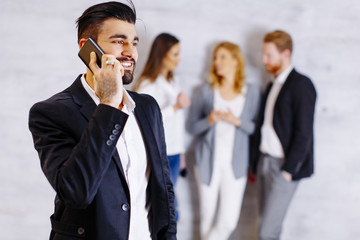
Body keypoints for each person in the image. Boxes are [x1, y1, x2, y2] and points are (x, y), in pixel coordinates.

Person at [28, 2, 176, 240]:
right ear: (88, 48)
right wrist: (108, 105)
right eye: (119, 41)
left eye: (134, 42)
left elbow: (163, 188)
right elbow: (76, 192)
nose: (130, 52)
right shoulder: (51, 113)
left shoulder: (148, 107)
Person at [187, 41, 261, 240]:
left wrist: (236, 121)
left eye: (222, 57)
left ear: (236, 61)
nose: (217, 62)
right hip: (207, 162)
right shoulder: (206, 91)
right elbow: (192, 127)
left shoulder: (251, 92)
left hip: (235, 165)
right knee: (206, 218)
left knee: (228, 220)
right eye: (215, 57)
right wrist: (210, 120)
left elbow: (256, 128)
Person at [253, 30, 317, 240]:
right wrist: (255, 163)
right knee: (268, 224)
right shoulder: (272, 85)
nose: (264, 60)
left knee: (267, 231)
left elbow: (304, 132)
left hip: (283, 166)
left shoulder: (302, 85)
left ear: (285, 54)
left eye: (269, 55)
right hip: (264, 162)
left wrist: (289, 170)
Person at [133, 33, 191, 220]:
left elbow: (177, 123)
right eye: (175, 54)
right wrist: (175, 107)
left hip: (174, 153)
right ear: (162, 55)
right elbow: (144, 121)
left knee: (172, 206)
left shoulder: (172, 81)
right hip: (160, 154)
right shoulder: (147, 86)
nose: (179, 59)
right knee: (167, 208)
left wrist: (181, 153)